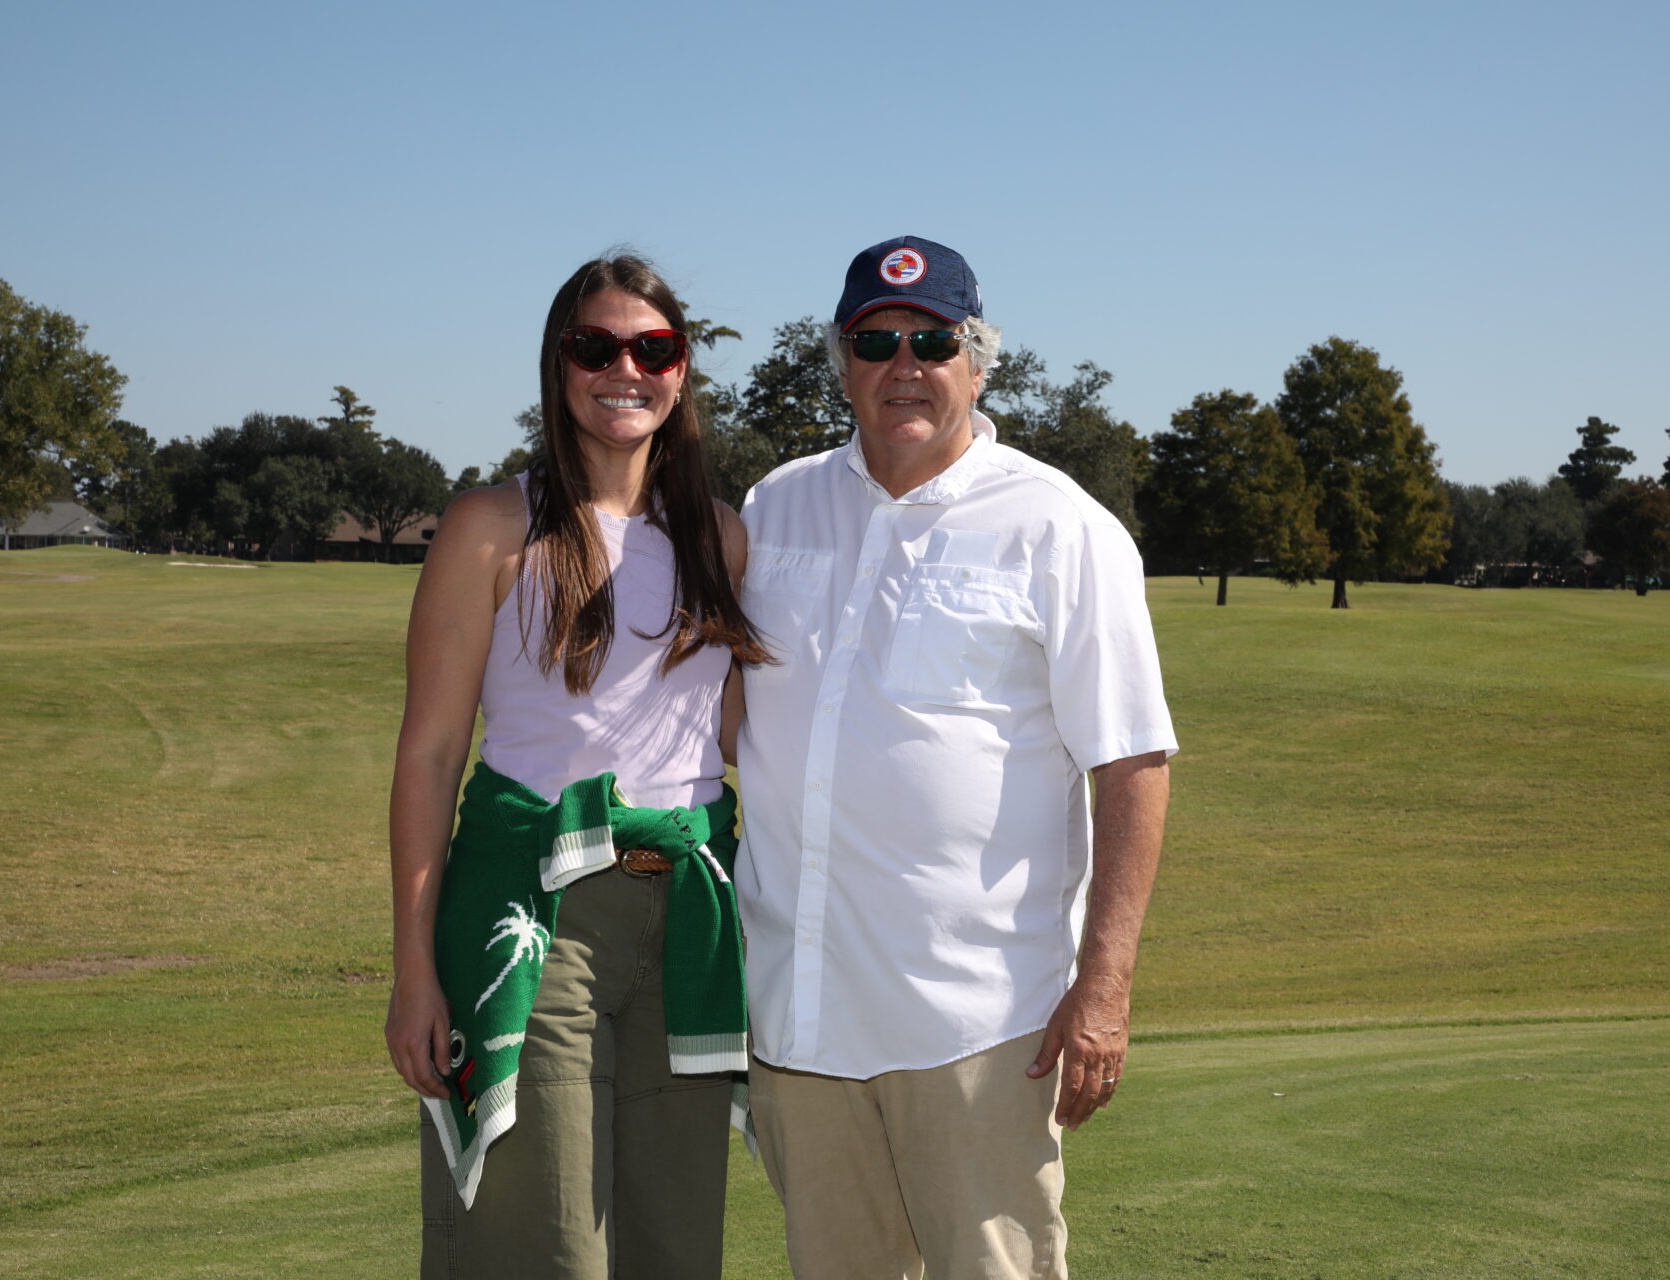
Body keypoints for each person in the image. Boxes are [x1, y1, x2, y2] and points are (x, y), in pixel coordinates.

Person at [734, 235, 1177, 1280]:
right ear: (842, 361)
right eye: (875, 341)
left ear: (979, 362)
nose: (905, 364)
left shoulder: (1061, 526)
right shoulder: (773, 506)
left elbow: (1132, 764)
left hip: (978, 1025)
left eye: (933, 341)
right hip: (799, 1016)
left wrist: (1104, 987)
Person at [384, 253, 765, 1279]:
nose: (624, 370)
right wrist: (414, 968)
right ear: (558, 365)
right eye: (595, 347)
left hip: (689, 918)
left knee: (673, 1246)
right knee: (547, 1246)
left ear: (682, 369)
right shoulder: (491, 526)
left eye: (653, 348)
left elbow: (743, 737)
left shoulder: (722, 537)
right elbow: (430, 752)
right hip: (534, 913)